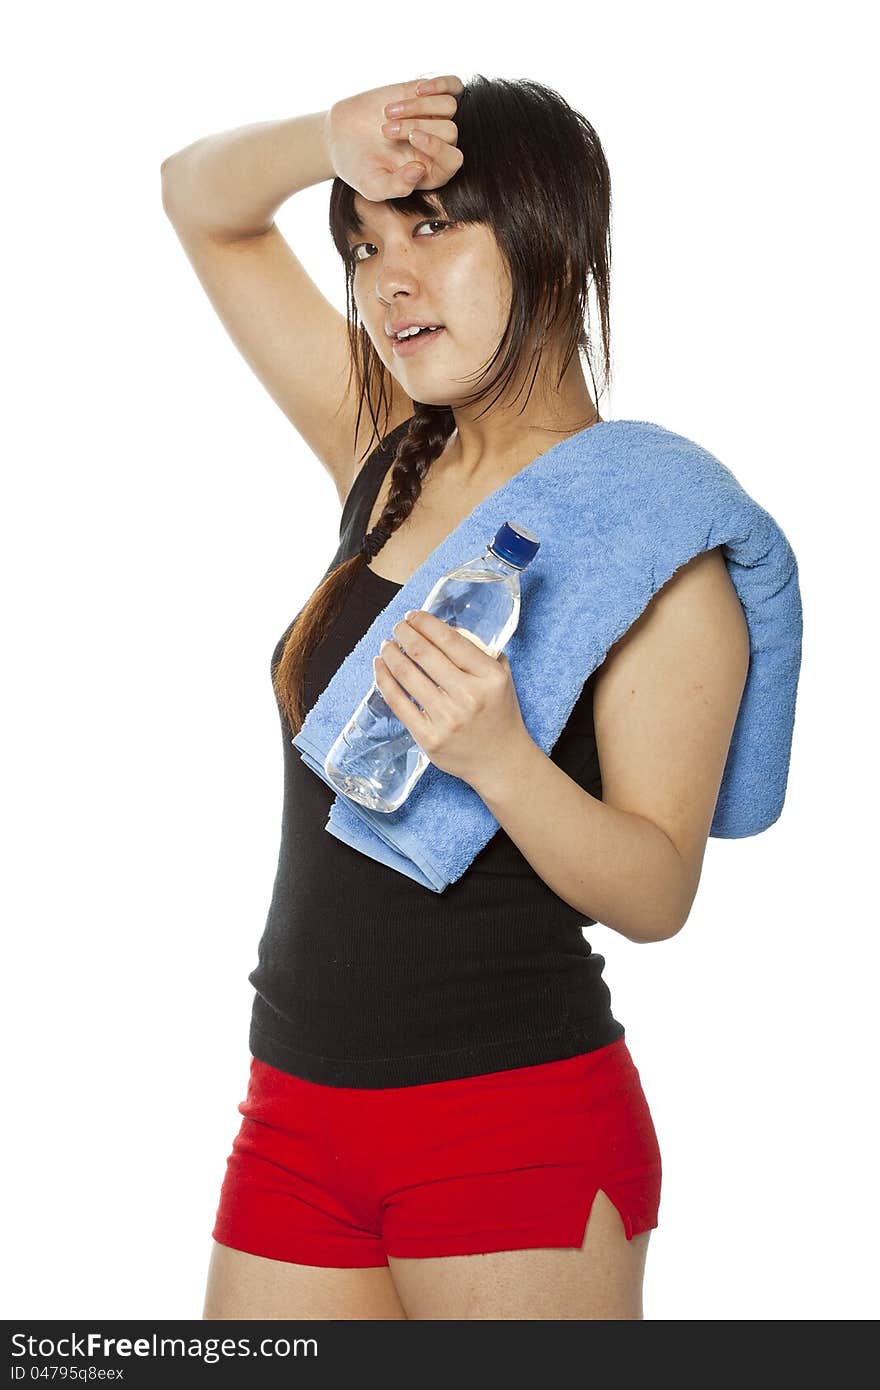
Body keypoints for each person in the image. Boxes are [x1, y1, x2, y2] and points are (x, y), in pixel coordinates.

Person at [161, 72, 750, 1320]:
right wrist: (330, 141)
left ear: (547, 232)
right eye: (365, 242)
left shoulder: (656, 544)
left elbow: (657, 893)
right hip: (294, 1111)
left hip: (511, 1121)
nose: (387, 278)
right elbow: (197, 198)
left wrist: (501, 758)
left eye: (432, 227)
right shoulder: (385, 454)